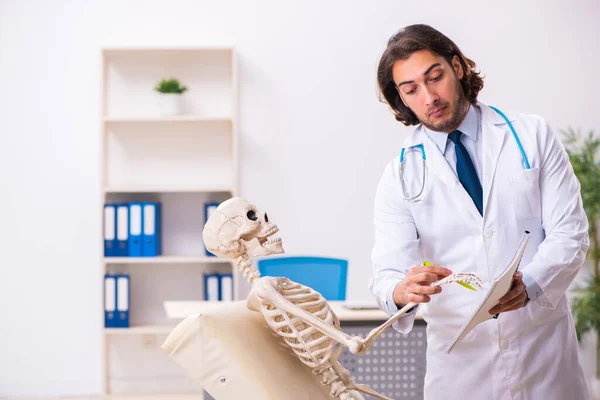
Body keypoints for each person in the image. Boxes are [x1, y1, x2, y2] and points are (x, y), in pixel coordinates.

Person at [369, 24, 590, 400]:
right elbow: (386, 276)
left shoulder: (531, 136)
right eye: (411, 90)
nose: (428, 97)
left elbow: (570, 233)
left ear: (456, 66)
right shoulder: (399, 175)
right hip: (461, 365)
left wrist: (531, 285)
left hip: (542, 353)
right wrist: (402, 289)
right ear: (402, 100)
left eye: (434, 77)